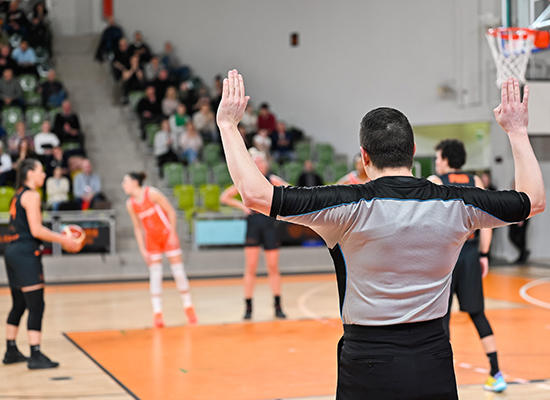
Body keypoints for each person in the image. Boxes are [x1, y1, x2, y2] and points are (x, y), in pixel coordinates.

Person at [216, 70, 545, 399]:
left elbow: (256, 196)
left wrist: (229, 127)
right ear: (413, 150)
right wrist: (516, 132)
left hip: (367, 362)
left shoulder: (344, 204)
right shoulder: (457, 203)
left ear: (364, 156)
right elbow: (534, 201)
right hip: (433, 359)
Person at [428, 139, 505, 392]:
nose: (437, 162)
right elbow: (486, 223)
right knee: (478, 313)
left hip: (446, 257)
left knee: (442, 318)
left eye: (438, 157)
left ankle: (441, 380)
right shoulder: (476, 181)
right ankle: (496, 372)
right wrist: (484, 255)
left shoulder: (436, 182)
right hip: (471, 254)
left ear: (447, 160)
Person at [3, 158, 79, 369]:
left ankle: (10, 350)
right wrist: (64, 239)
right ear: (30, 174)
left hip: (11, 251)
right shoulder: (32, 195)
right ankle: (35, 354)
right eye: (40, 171)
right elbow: (37, 230)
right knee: (36, 305)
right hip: (26, 252)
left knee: (19, 304)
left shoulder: (18, 194)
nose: (44, 175)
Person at [220, 148, 289, 320]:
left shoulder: (271, 179)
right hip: (253, 224)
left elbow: (290, 190)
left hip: (269, 223)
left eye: (261, 161)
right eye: (255, 161)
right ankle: (248, 306)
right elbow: (224, 197)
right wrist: (243, 207)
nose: (259, 164)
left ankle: (278, 305)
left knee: (273, 267)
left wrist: (278, 208)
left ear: (266, 164)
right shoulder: (246, 181)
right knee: (250, 267)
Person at [122, 172, 197, 327]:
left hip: (166, 234)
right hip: (152, 240)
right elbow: (137, 228)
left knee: (178, 271)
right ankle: (157, 312)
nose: (123, 185)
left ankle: (188, 306)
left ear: (135, 182)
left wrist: (172, 234)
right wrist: (142, 249)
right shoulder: (130, 204)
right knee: (155, 274)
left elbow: (171, 212)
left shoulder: (152, 193)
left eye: (126, 181)